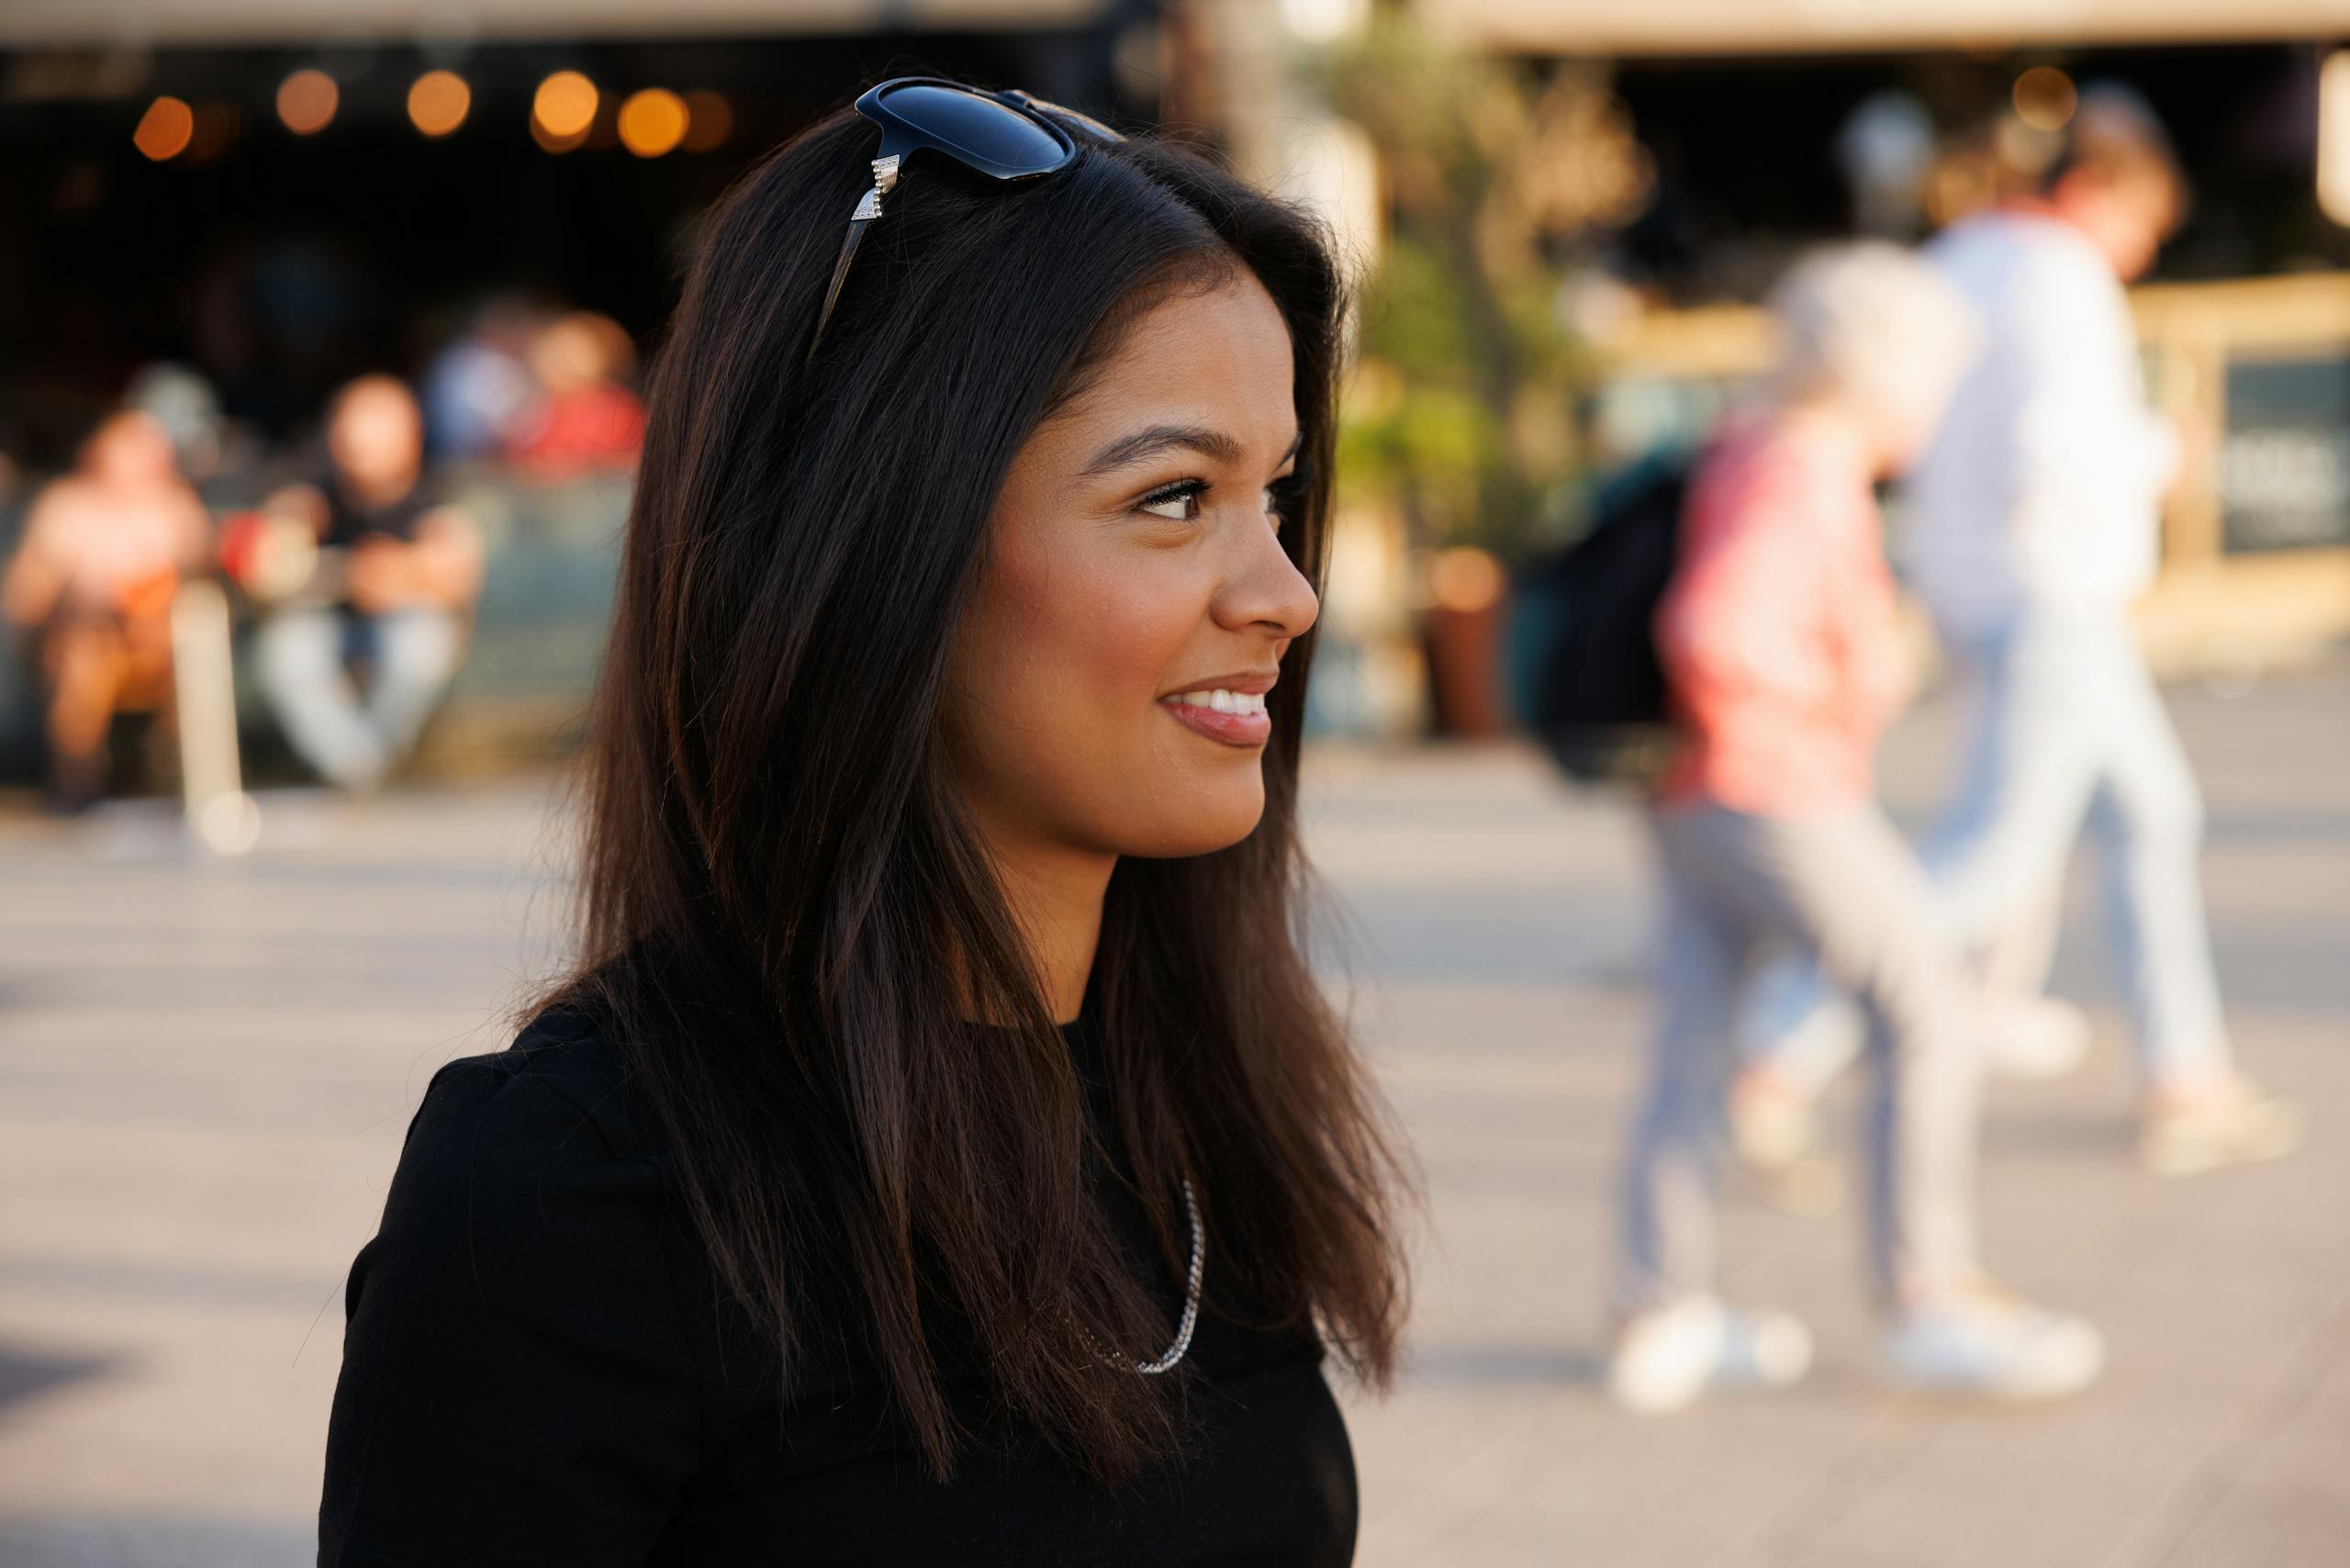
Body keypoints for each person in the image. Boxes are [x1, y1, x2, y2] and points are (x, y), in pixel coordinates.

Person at [320, 78, 1408, 1565]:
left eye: (1275, 495)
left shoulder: (1193, 1090)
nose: (1284, 594)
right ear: (875, 545)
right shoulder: (581, 1198)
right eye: (1172, 497)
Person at [1732, 86, 2300, 1180]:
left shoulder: (1958, 258)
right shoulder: (2061, 275)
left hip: (1974, 586)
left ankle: (2182, 1069)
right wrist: (2158, 455)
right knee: (1988, 857)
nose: (2136, 252)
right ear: (2091, 191)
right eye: (2137, 224)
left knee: (2149, 814)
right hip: (2053, 595)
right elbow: (2059, 452)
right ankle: (1780, 1043)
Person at [1609, 244, 2103, 1415]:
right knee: (1923, 1001)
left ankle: (1656, 1312)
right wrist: (1839, 692)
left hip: (1684, 789)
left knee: (1691, 1041)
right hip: (1774, 786)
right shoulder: (1810, 469)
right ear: (1887, 375)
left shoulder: (1744, 440)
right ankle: (1923, 1299)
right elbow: (1717, 628)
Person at [252, 375, 483, 791]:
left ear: (409, 435)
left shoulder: (432, 492)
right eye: (350, 434)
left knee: (420, 646)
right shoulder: (317, 490)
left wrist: (400, 573)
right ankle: (360, 769)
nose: (359, 447)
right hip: (329, 622)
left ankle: (358, 769)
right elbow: (276, 543)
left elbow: (458, 571)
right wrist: (287, 535)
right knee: (287, 653)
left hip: (401, 622)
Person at [2, 409, 210, 811]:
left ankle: (182, 771)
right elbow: (22, 601)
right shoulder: (66, 509)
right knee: (83, 654)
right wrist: (77, 600)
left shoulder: (175, 507)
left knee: (193, 643)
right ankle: (78, 779)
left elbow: (204, 579)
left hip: (158, 646)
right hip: (85, 645)